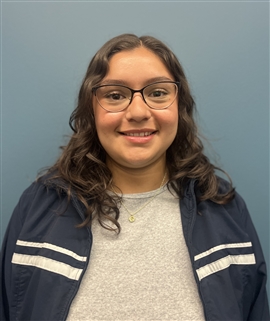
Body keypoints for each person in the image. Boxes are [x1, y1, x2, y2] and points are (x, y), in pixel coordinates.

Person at [1, 33, 269, 321]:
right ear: (91, 110)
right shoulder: (38, 206)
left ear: (180, 106)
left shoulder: (224, 209)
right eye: (115, 95)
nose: (138, 112)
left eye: (157, 93)